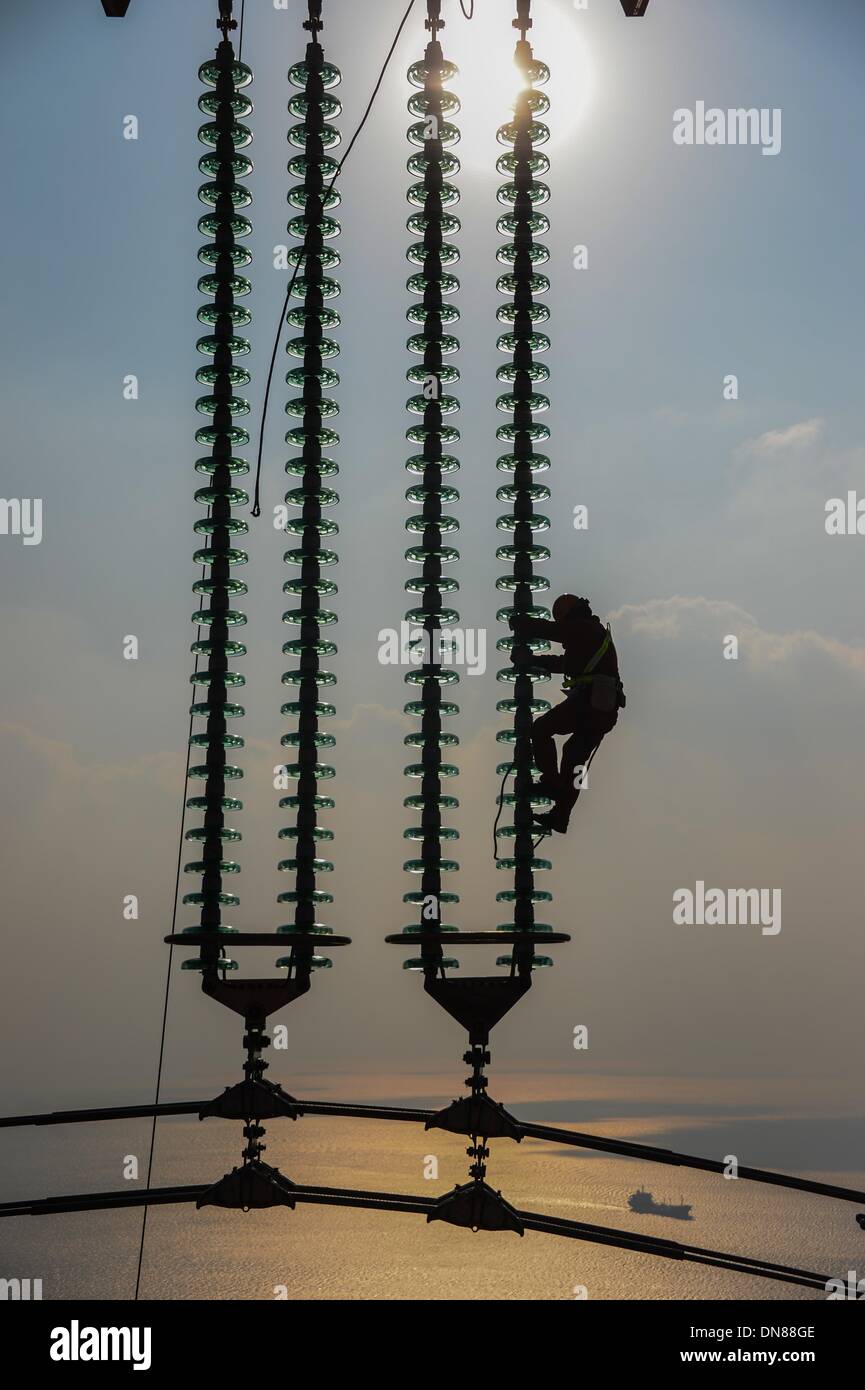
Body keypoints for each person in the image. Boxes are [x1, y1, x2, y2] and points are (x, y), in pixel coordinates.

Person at [509, 594, 624, 834]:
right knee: (573, 758)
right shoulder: (591, 634)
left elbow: (553, 632)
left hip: (589, 704)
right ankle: (561, 816)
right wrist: (532, 661)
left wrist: (523, 625)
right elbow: (566, 664)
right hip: (603, 710)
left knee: (541, 730)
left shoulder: (582, 629)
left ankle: (551, 782)